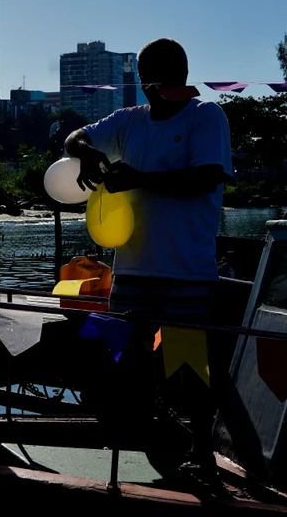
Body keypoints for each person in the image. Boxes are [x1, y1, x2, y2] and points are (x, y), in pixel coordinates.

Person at [64, 37, 233, 485]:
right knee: (128, 364)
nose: (157, 84)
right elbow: (73, 136)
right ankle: (135, 444)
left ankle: (203, 453)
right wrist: (88, 152)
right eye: (153, 75)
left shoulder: (206, 115)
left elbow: (206, 177)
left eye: (164, 74)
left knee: (190, 369)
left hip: (186, 271)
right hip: (133, 270)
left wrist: (140, 179)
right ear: (145, 81)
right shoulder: (128, 121)